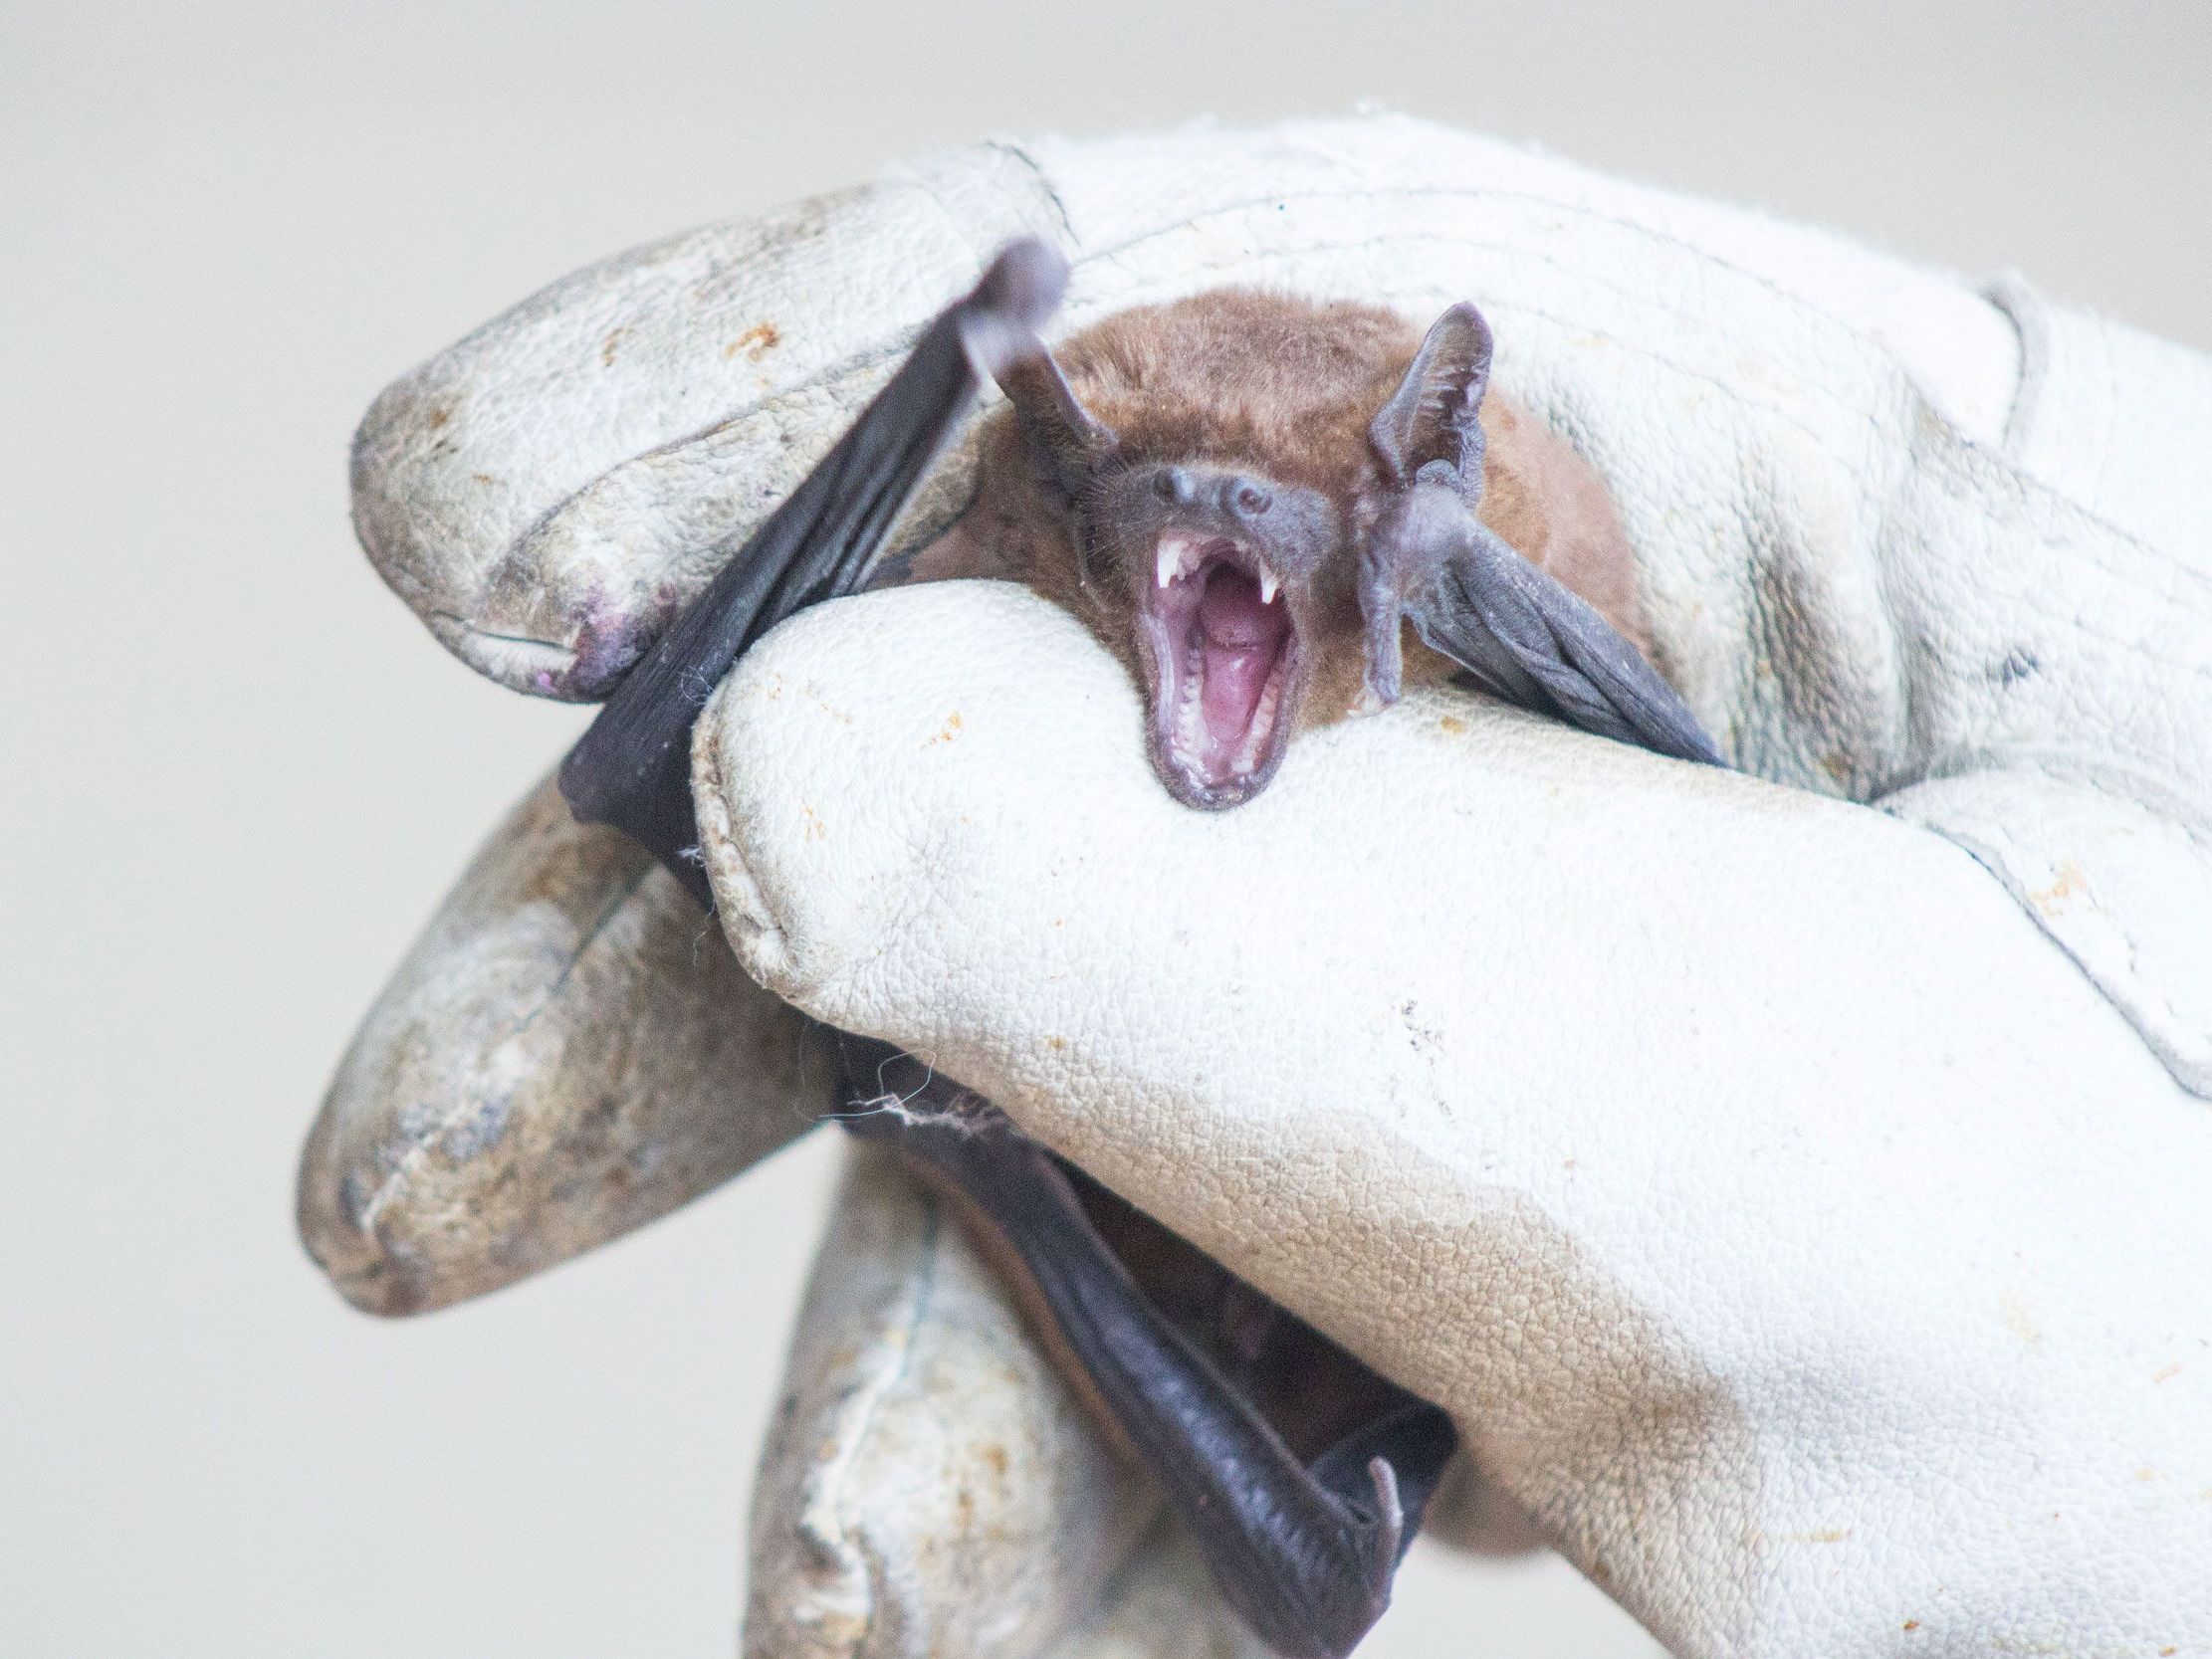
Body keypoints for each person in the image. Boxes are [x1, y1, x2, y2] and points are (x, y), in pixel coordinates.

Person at [301, 112, 2212, 1654]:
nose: (1218, 520)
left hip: (1341, 1225)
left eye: (1281, 512)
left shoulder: (1503, 619)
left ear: (1411, 538)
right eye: (1166, 500)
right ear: (1066, 500)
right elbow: (655, 769)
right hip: (1073, 1139)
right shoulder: (986, 582)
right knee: (773, 805)